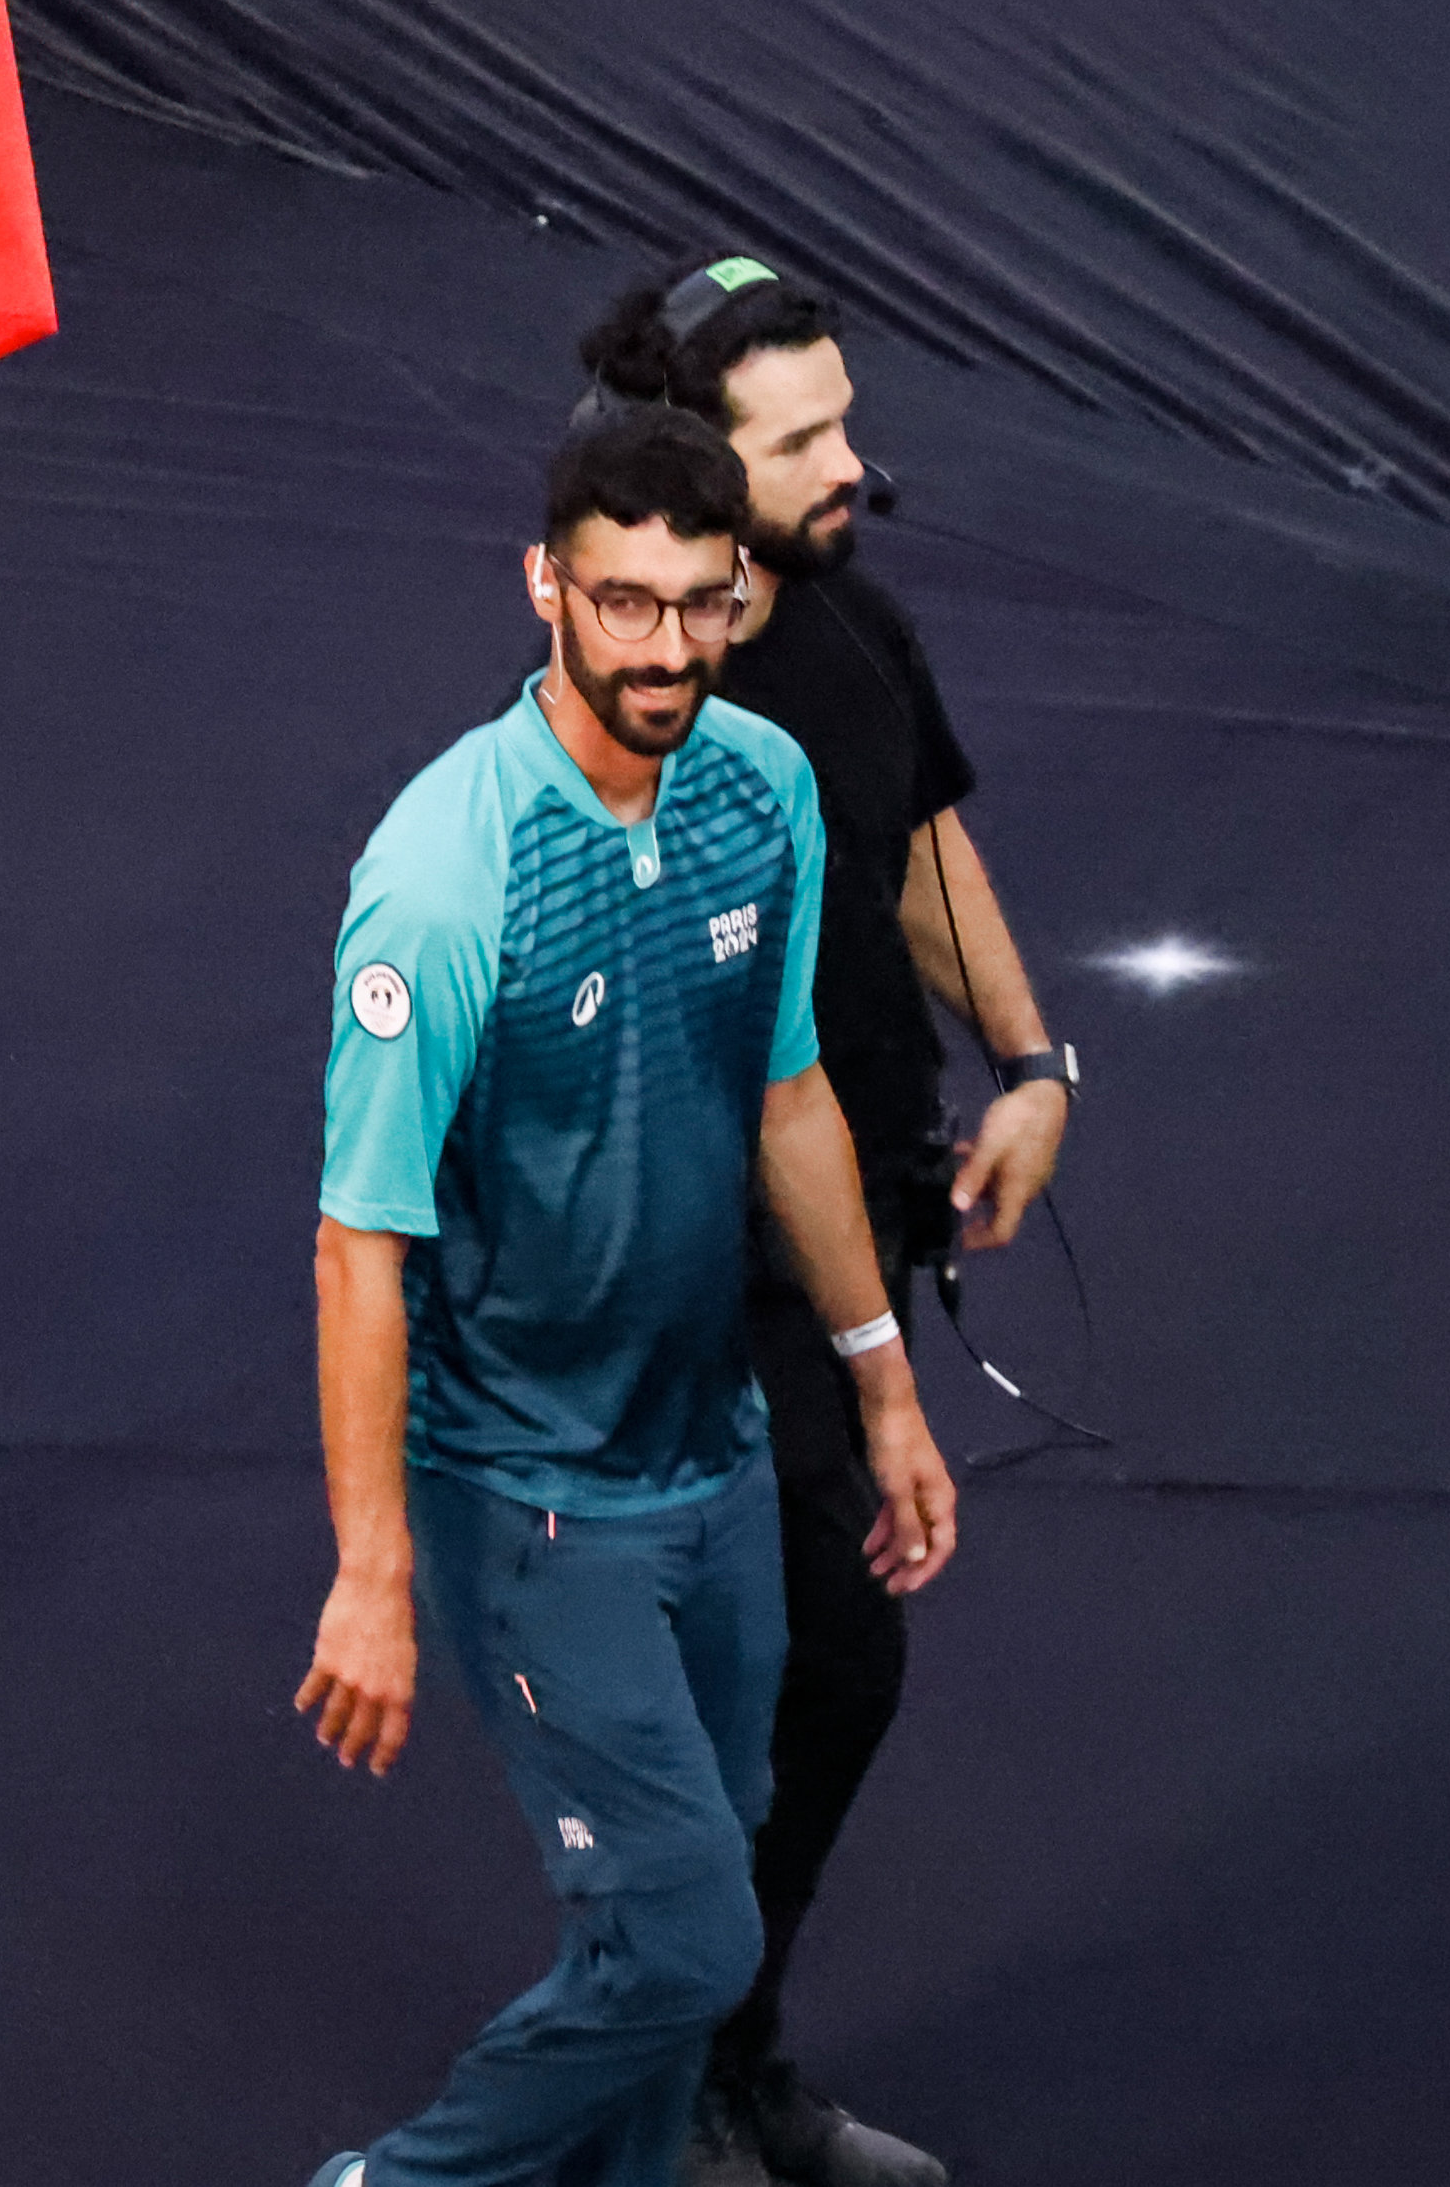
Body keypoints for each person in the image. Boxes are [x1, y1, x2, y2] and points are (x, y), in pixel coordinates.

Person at [293, 402, 963, 2187]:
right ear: (546, 589)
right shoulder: (445, 880)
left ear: (740, 592)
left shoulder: (766, 789)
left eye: (697, 603)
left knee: (697, 1886)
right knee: (688, 1947)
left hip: (716, 1456)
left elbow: (794, 1093)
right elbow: (360, 1242)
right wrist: (374, 1574)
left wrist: (883, 1390)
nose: (663, 648)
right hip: (533, 1495)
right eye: (622, 604)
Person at [579, 260, 1077, 2187]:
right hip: (697, 1263)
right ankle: (665, 2076)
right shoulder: (651, 713)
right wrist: (869, 1354)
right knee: (775, 1671)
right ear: (699, 468)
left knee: (814, 1676)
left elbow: (922, 832)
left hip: (852, 1226)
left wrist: (1034, 1061)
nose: (852, 465)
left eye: (845, 421)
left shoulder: (855, 624)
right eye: (803, 444)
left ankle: (725, 2053)